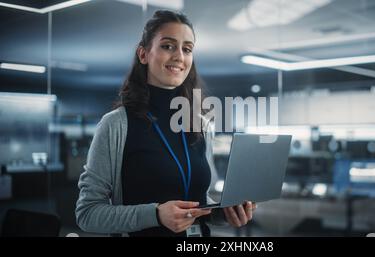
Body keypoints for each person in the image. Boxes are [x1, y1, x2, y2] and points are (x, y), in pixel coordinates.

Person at [75, 10, 256, 237]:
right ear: (143, 54)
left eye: (187, 49)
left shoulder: (199, 126)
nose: (179, 56)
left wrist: (223, 213)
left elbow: (201, 201)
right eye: (168, 46)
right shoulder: (116, 125)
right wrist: (156, 215)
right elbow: (87, 213)